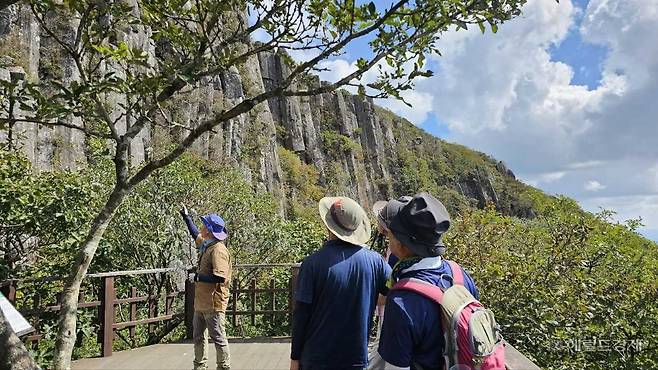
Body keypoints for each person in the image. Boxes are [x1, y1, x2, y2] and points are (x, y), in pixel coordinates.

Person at [375, 193, 480, 370]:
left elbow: (395, 367)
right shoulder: (460, 275)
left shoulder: (402, 302)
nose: (388, 241)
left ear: (402, 244)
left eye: (391, 235)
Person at [291, 196, 392, 370]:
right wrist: (368, 298)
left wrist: (295, 358)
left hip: (316, 358)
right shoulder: (376, 262)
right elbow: (397, 292)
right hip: (355, 358)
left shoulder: (312, 264)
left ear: (328, 225)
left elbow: (301, 315)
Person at [180, 206, 232, 370]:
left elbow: (220, 277)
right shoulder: (207, 245)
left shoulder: (218, 250)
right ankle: (200, 366)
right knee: (198, 337)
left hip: (214, 303)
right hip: (201, 302)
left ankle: (223, 367)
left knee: (218, 337)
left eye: (204, 225)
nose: (201, 227)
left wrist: (198, 277)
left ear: (209, 231)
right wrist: (186, 217)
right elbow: (195, 233)